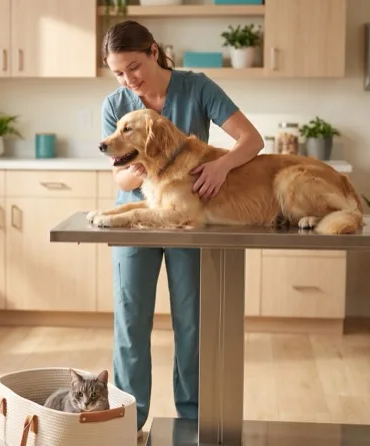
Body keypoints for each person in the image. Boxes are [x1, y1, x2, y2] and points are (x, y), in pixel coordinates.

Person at [100, 20, 264, 437]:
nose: (128, 80)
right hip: (136, 221)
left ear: (154, 52)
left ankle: (192, 423)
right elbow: (120, 179)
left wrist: (222, 165)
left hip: (188, 218)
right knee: (131, 324)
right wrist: (147, 165)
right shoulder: (116, 106)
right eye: (118, 72)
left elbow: (251, 140)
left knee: (191, 322)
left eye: (133, 67)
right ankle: (127, 425)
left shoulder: (197, 88)